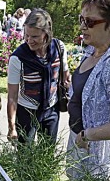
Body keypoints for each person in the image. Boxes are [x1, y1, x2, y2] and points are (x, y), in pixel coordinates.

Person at [67, 0, 110, 178]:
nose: (82, 27)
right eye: (81, 20)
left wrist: (88, 135)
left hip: (95, 153)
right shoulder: (92, 49)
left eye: (90, 22)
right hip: (78, 140)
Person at [7, 8, 70, 144]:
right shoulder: (17, 58)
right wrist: (12, 127)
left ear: (46, 34)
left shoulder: (59, 48)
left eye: (34, 36)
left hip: (51, 109)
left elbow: (65, 76)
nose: (29, 40)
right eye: (26, 35)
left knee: (47, 153)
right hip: (26, 112)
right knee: (25, 156)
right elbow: (12, 97)